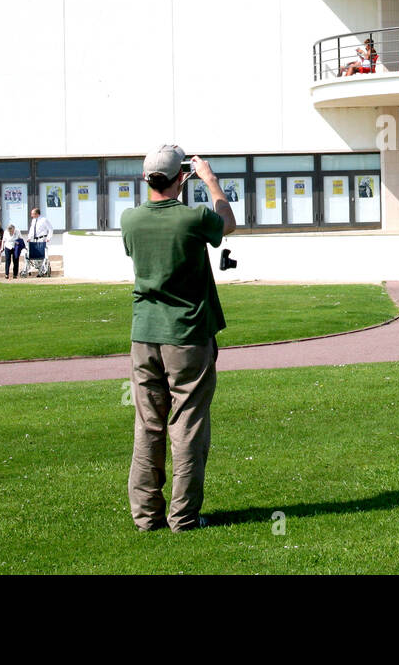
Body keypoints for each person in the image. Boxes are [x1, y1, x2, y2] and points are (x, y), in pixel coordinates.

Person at [122, 145, 237, 532]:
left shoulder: (130, 219)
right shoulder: (192, 217)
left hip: (144, 335)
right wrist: (211, 180)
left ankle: (146, 515)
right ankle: (183, 516)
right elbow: (228, 223)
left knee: (148, 425)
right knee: (187, 424)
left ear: (145, 179)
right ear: (181, 177)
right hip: (186, 335)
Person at [27, 207, 53, 275]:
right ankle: (40, 270)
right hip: (35, 239)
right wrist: (29, 237)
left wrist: (48, 238)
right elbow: (32, 230)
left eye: (32, 214)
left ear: (37, 214)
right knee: (35, 256)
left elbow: (50, 229)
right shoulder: (33, 220)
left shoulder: (44, 220)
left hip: (42, 239)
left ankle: (43, 270)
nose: (31, 215)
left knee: (42, 255)